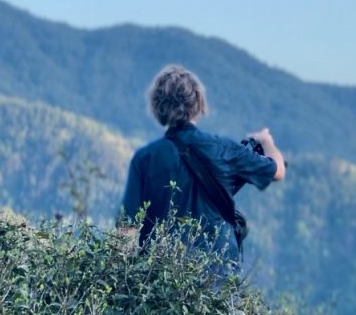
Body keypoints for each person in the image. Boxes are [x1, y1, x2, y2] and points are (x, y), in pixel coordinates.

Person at [119, 64, 285, 269]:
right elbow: (277, 170)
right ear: (197, 103)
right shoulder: (224, 149)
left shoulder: (145, 158)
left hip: (158, 278)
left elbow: (126, 230)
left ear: (158, 106)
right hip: (215, 277)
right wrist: (266, 141)